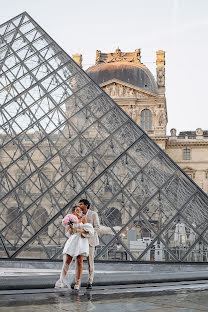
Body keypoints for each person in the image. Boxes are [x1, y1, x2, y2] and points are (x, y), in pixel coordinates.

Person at [55, 206, 94, 290]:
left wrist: (80, 230)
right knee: (67, 261)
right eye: (77, 210)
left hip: (81, 241)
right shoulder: (71, 221)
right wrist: (71, 226)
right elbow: (70, 233)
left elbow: (89, 231)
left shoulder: (83, 219)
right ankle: (61, 280)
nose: (79, 211)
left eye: (80, 210)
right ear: (73, 212)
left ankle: (78, 282)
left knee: (80, 262)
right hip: (73, 241)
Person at [79, 199, 100, 290]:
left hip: (90, 241)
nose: (79, 205)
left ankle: (90, 282)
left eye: (81, 204)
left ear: (86, 205)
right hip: (81, 241)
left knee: (90, 262)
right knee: (79, 262)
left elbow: (97, 227)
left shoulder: (93, 214)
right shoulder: (79, 215)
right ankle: (77, 281)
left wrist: (88, 233)